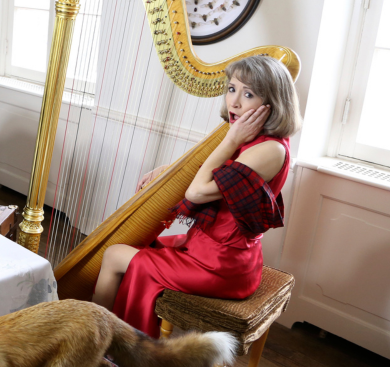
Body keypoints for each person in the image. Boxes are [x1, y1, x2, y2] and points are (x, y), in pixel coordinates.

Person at [91, 55, 302, 337]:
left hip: (222, 263)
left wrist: (231, 139)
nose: (234, 102)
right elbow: (214, 171)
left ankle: (95, 338)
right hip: (206, 240)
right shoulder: (250, 136)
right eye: (232, 88)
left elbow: (197, 192)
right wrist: (169, 169)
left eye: (248, 94)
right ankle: (110, 329)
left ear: (272, 103)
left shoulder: (268, 150)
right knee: (156, 237)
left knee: (114, 254)